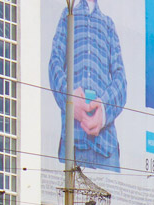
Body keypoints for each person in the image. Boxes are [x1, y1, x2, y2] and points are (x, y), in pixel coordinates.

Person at [49, 0, 127, 172]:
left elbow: (121, 80)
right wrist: (70, 100)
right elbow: (54, 64)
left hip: (106, 147)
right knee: (64, 197)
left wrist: (104, 110)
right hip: (73, 142)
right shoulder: (68, 15)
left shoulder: (108, 24)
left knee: (113, 199)